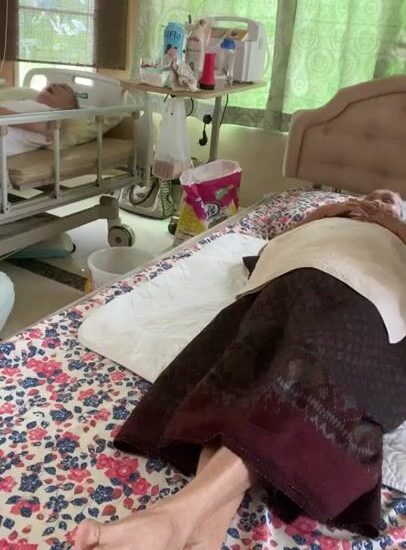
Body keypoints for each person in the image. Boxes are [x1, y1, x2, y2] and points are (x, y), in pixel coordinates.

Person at [74, 189, 406, 550]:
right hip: (300, 270)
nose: (381, 199)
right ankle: (202, 534)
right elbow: (277, 245)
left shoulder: (394, 233)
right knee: (246, 360)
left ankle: (175, 516)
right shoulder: (333, 216)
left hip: (372, 295)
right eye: (375, 196)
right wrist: (339, 210)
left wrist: (388, 224)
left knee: (309, 359)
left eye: (391, 199)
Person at [0, 83, 78, 157]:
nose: (53, 84)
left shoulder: (53, 117)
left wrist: (6, 113)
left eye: (63, 87)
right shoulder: (30, 103)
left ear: (68, 107)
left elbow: (48, 129)